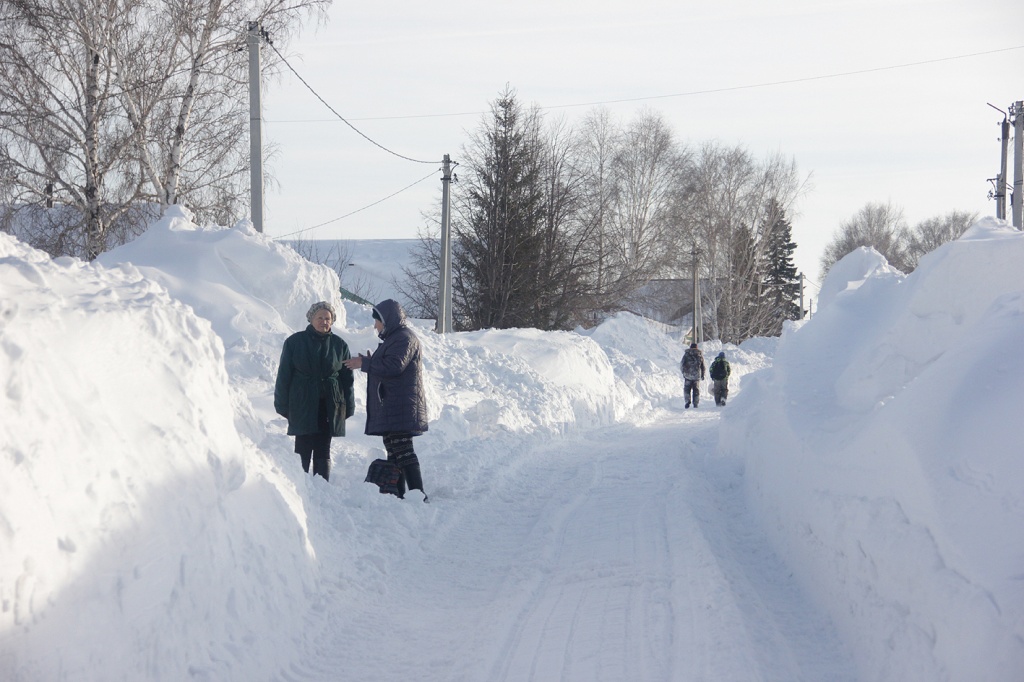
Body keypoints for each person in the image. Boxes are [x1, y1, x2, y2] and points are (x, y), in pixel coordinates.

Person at [344, 299, 429, 502]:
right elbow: (388, 364)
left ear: (387, 320)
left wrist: (364, 363)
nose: (375, 326)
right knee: (394, 450)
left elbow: (394, 366)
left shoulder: (403, 338)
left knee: (403, 449)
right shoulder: (395, 339)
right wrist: (372, 361)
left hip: (400, 405)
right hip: (394, 405)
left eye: (378, 322)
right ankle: (398, 495)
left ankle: (418, 494)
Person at [274, 301, 355, 481]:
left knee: (323, 447)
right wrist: (281, 404)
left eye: (328, 318)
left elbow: (347, 380)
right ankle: (300, 484)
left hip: (329, 405)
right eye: (320, 317)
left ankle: (322, 486)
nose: (324, 321)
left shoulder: (339, 345)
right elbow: (284, 376)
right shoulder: (294, 342)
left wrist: (348, 406)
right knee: (303, 445)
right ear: (311, 318)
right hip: (302, 403)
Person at [680, 342, 705, 409]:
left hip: (688, 375)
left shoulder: (686, 354)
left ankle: (687, 401)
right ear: (697, 347)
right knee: (696, 390)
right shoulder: (699, 355)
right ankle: (695, 403)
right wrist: (703, 374)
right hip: (696, 376)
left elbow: (682, 364)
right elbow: (703, 366)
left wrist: (683, 372)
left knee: (687, 389)